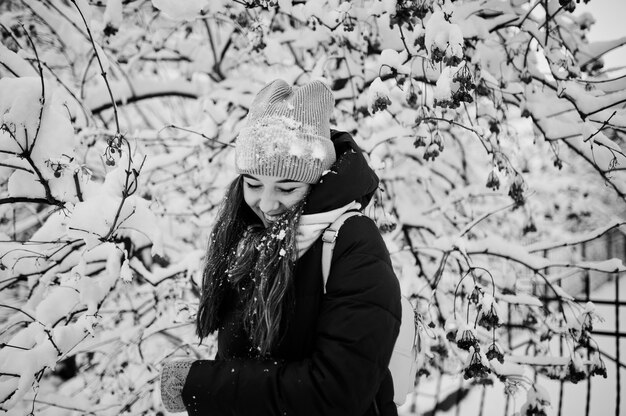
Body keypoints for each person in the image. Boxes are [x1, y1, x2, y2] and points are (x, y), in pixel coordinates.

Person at [160, 79, 402, 416]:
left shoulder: (353, 243)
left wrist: (202, 385)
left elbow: (337, 393)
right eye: (254, 184)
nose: (267, 203)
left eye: (287, 188)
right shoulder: (245, 238)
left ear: (316, 182)